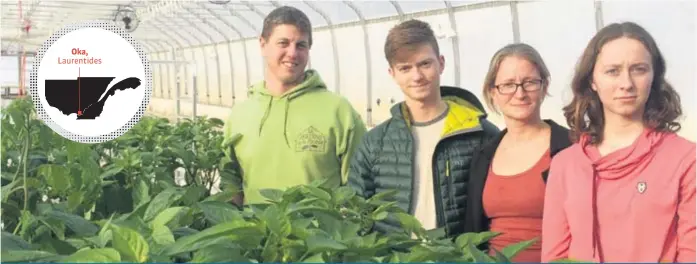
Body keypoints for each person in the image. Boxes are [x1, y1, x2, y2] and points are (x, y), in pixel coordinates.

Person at [541, 21, 695, 263]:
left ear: (654, 77)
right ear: (592, 80)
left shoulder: (685, 160)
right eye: (612, 71)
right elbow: (555, 257)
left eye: (639, 69)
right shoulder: (565, 165)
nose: (626, 83)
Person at [347, 19, 499, 238]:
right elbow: (357, 212)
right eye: (405, 68)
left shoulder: (479, 133)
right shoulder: (375, 143)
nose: (417, 76)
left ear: (441, 63)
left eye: (425, 64)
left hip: (457, 257)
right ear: (392, 73)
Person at [221, 6, 367, 206]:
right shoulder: (241, 114)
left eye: (301, 45)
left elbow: (359, 185)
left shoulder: (339, 111)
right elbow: (231, 180)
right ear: (262, 44)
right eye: (283, 43)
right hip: (255, 234)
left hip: (320, 236)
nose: (292, 53)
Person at [463, 43, 572, 262]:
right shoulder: (484, 155)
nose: (519, 93)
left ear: (544, 86)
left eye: (529, 82)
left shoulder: (570, 147)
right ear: (493, 92)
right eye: (508, 85)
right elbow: (473, 233)